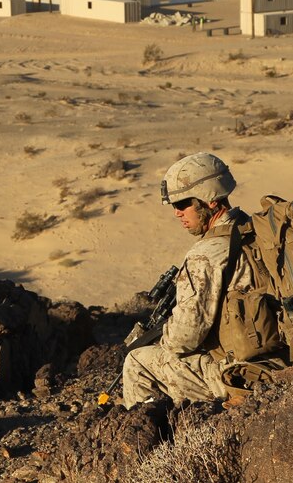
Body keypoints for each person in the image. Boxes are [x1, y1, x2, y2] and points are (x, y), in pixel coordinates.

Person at [121, 152, 283, 408]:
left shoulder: (205, 255)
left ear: (209, 200)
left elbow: (183, 338)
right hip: (282, 358)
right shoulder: (257, 230)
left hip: (241, 373)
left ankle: (153, 443)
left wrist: (160, 337)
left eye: (183, 203)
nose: (177, 213)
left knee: (138, 361)